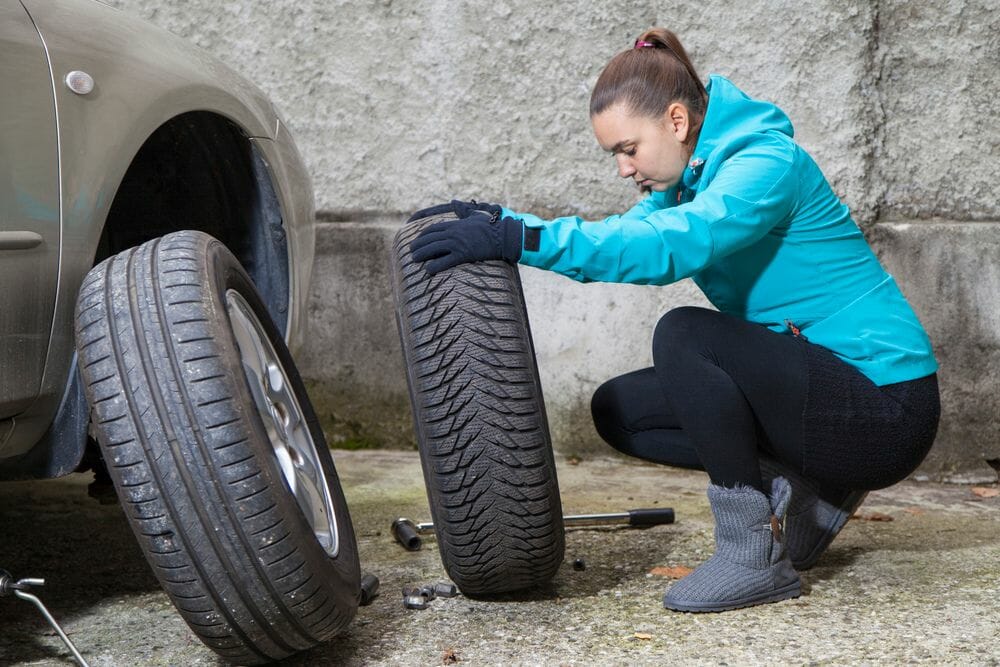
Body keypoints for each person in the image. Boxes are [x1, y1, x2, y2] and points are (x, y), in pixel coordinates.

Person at [407, 27, 939, 613]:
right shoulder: (687, 182)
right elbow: (629, 232)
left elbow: (677, 243)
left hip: (886, 407)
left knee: (685, 334)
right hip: (820, 389)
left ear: (678, 122)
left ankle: (751, 554)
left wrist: (519, 239)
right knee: (621, 411)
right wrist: (502, 220)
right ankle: (817, 488)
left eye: (627, 149)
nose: (623, 169)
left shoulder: (765, 163)